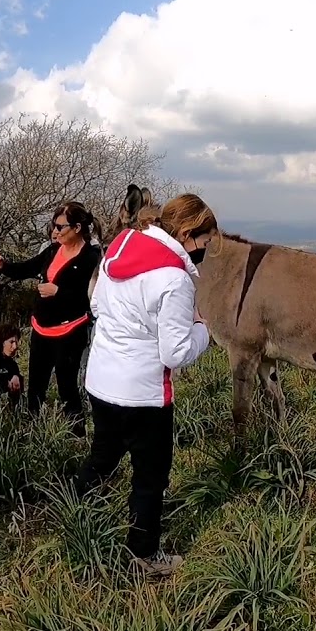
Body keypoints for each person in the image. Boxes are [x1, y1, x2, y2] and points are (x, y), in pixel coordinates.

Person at [75, 191, 216, 577]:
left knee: (102, 458)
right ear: (187, 233)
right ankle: (144, 556)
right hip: (144, 394)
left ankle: (76, 517)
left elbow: (98, 307)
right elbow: (175, 353)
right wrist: (203, 329)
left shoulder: (120, 246)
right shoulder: (174, 278)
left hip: (102, 381)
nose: (203, 250)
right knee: (150, 477)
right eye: (203, 242)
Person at [0, 202, 100, 436]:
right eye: (54, 226)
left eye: (60, 227)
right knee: (36, 383)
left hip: (70, 331)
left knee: (66, 384)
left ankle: (75, 433)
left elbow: (90, 297)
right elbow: (27, 268)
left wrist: (58, 292)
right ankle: (32, 430)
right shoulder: (52, 250)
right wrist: (4, 266)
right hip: (41, 328)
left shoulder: (92, 256)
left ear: (77, 227)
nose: (55, 231)